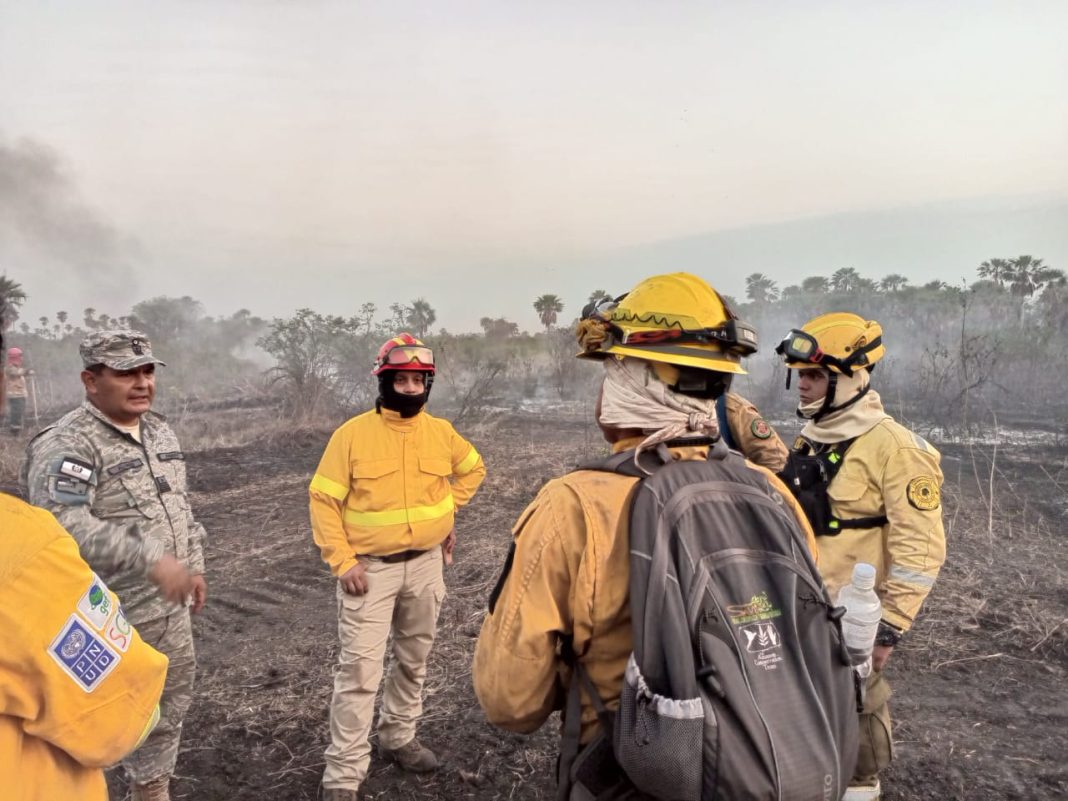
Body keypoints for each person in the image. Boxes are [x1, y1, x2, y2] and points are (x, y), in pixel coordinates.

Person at [473, 273, 816, 797]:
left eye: (610, 369)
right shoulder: (770, 492)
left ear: (633, 375)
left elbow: (510, 703)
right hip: (760, 766)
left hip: (629, 776)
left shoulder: (574, 506)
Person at [22, 330, 208, 801]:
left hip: (167, 610)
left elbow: (179, 507)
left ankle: (151, 790)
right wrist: (149, 556)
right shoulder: (69, 444)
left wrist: (193, 562)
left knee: (167, 704)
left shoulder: (159, 430)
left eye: (147, 371)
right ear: (90, 380)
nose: (142, 383)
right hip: (101, 618)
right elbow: (60, 524)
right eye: (126, 373)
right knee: (89, 726)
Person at [774, 313, 947, 801]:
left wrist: (888, 627)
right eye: (799, 376)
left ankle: (860, 786)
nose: (802, 387)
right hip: (802, 604)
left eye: (813, 376)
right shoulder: (815, 436)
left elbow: (921, 549)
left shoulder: (897, 449)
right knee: (800, 707)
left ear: (849, 378)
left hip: (855, 618)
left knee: (857, 713)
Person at [309, 333, 486, 801]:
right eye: (400, 379)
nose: (409, 388)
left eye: (418, 380)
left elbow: (474, 469)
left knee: (414, 660)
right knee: (360, 674)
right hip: (370, 572)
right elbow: (323, 500)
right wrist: (342, 561)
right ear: (383, 380)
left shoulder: (441, 432)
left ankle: (398, 737)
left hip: (428, 567)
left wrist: (446, 513)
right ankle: (343, 777)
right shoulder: (351, 435)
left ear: (427, 383)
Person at [4, 346, 32, 434]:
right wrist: (27, 372)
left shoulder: (17, 368)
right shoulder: (10, 368)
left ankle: (18, 428)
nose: (22, 358)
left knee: (20, 412)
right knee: (16, 412)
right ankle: (15, 431)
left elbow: (20, 373)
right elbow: (16, 373)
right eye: (20, 356)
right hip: (14, 394)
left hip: (20, 394)